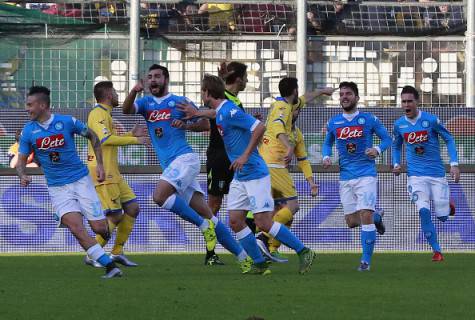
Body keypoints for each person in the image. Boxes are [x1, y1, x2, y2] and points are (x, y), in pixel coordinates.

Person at [122, 64, 252, 273]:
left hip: (184, 159)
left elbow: (206, 125)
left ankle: (203, 227)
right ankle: (244, 257)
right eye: (149, 77)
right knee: (211, 216)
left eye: (157, 76)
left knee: (159, 196)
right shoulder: (145, 103)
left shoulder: (179, 102)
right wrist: (133, 91)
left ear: (166, 79)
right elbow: (126, 111)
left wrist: (186, 125)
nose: (152, 80)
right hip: (173, 167)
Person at [187, 74, 317, 275]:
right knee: (235, 221)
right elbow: (215, 114)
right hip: (241, 175)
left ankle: (304, 251)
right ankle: (259, 262)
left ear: (206, 93)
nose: (201, 94)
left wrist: (246, 155)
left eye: (202, 90)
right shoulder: (222, 110)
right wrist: (198, 113)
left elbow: (260, 127)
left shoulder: (229, 110)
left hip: (255, 172)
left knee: (263, 222)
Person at [16, 86, 122, 279]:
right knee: (75, 227)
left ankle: (106, 237)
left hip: (81, 181)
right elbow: (21, 161)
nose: (27, 109)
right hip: (57, 188)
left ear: (42, 105)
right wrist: (22, 174)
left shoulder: (66, 122)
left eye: (30, 105)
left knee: (99, 229)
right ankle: (110, 266)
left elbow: (93, 136)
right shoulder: (28, 131)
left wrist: (99, 164)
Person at [257, 77, 334, 262]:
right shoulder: (282, 107)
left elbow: (303, 160)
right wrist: (288, 147)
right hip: (273, 165)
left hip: (269, 166)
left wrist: (311, 182)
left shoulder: (296, 131)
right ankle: (262, 239)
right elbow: (276, 127)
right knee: (293, 206)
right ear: (293, 93)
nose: (299, 110)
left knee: (286, 214)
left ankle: (271, 249)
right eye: (297, 107)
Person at [322, 81, 391, 272]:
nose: (344, 97)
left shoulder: (369, 119)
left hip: (366, 175)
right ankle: (376, 218)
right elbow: (327, 143)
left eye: (348, 94)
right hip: (345, 176)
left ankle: (365, 261)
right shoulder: (333, 122)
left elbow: (387, 139)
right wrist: (326, 156)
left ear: (357, 98)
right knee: (352, 222)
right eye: (342, 94)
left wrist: (377, 149)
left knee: (364, 214)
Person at [83, 81, 150, 268]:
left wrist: (130, 133)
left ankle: (117, 252)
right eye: (114, 91)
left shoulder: (106, 115)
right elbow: (105, 139)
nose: (117, 94)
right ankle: (93, 254)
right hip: (102, 172)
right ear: (108, 95)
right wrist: (135, 139)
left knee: (133, 208)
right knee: (114, 216)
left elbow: (108, 139)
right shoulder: (97, 114)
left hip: (114, 173)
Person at [392, 85, 460, 262]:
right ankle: (437, 251)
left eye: (409, 101)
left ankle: (448, 207)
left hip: (437, 175)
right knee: (423, 211)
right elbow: (397, 145)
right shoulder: (399, 124)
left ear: (417, 102)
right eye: (403, 101)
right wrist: (397, 163)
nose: (406, 104)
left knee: (443, 217)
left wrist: (454, 164)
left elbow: (449, 139)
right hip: (415, 177)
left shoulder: (430, 120)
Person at [203, 61, 249, 265]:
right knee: (214, 204)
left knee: (246, 202)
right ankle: (210, 253)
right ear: (238, 78)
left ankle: (252, 247)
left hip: (235, 157)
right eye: (246, 77)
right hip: (219, 157)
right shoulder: (223, 99)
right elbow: (210, 103)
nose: (247, 81)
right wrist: (221, 79)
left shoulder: (236, 102)